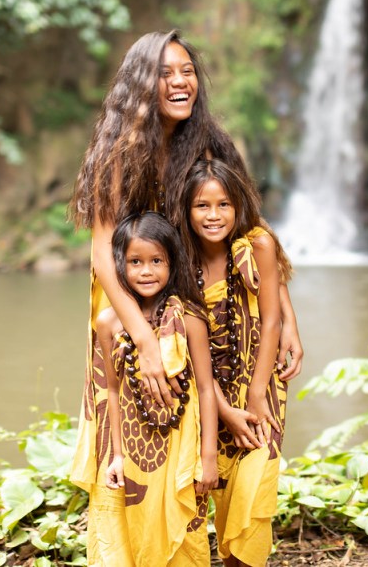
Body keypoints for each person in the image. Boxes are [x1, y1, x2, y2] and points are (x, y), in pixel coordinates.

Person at [68, 29, 303, 561]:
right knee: (144, 437)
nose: (180, 82)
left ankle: (223, 538)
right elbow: (103, 256)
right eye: (165, 72)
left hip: (196, 299)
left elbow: (252, 226)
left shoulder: (209, 141)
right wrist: (143, 339)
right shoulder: (119, 151)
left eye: (187, 70)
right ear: (140, 85)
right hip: (133, 298)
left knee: (223, 408)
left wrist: (286, 316)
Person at [173, 158, 287, 567]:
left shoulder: (258, 246)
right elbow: (189, 354)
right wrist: (223, 410)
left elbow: (272, 319)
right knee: (209, 490)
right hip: (206, 395)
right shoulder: (180, 263)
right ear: (186, 211)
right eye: (202, 205)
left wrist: (257, 395)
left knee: (254, 489)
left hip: (260, 383)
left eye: (223, 204)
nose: (214, 215)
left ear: (238, 206)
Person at [97, 211, 218, 565]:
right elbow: (113, 391)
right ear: (120, 264)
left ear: (172, 262)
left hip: (181, 446)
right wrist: (117, 455)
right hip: (136, 449)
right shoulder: (108, 323)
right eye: (135, 261)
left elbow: (207, 390)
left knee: (185, 537)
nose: (146, 271)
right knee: (138, 531)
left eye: (156, 261)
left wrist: (207, 458)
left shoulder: (190, 317)